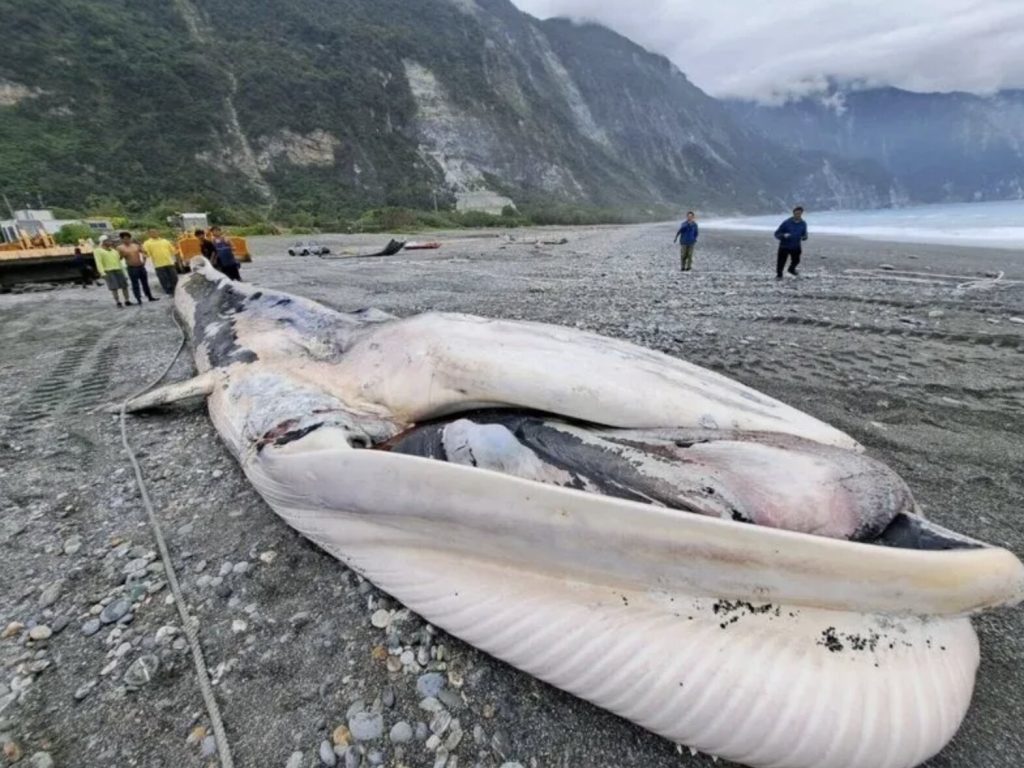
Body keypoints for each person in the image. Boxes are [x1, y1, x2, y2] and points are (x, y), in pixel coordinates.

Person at [117, 231, 158, 304]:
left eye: (128, 238)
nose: (127, 240)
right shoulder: (120, 248)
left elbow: (145, 252)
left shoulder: (135, 245)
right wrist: (123, 255)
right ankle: (138, 298)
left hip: (140, 266)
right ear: (122, 239)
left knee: (145, 283)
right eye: (125, 239)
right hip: (131, 268)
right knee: (135, 284)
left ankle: (149, 296)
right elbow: (118, 258)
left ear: (130, 238)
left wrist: (144, 259)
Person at [94, 236, 131, 308]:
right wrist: (102, 273)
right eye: (108, 241)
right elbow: (99, 262)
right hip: (109, 271)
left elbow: (119, 262)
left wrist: (124, 272)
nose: (110, 242)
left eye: (110, 240)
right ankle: (118, 302)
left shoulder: (114, 251)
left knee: (124, 286)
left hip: (118, 270)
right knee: (114, 288)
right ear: (103, 242)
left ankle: (127, 300)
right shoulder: (98, 251)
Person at [142, 228, 179, 296]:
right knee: (164, 280)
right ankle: (169, 292)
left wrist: (176, 249)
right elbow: (147, 254)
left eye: (155, 232)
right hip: (158, 265)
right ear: (149, 234)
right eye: (152, 232)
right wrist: (144, 254)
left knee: (174, 278)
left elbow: (173, 251)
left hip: (169, 263)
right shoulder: (147, 243)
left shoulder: (165, 241)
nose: (154, 233)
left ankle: (177, 291)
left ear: (158, 232)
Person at [774, 206, 808, 279]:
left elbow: (804, 234)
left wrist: (804, 237)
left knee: (796, 260)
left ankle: (791, 269)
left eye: (799, 213)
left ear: (801, 214)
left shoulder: (803, 224)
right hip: (784, 246)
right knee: (781, 262)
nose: (798, 215)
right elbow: (776, 233)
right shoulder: (786, 223)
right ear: (793, 213)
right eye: (796, 213)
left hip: (796, 246)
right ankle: (779, 275)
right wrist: (783, 235)